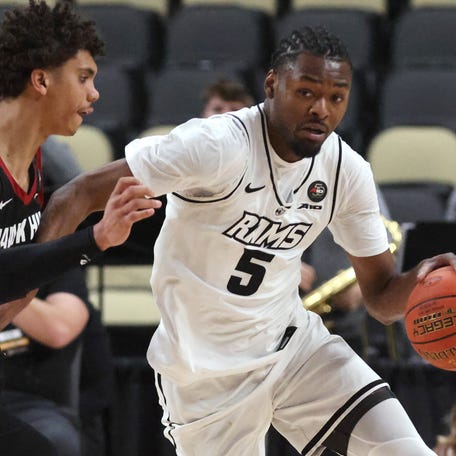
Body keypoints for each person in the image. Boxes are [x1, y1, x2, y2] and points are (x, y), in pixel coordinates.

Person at [39, 26, 456, 456]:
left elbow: (382, 298)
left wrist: (424, 281)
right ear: (272, 84)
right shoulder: (216, 146)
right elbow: (77, 194)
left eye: (336, 97)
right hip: (204, 377)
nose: (321, 110)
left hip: (295, 350)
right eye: (307, 92)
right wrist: (25, 286)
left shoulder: (345, 171)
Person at [0, 2, 160, 455]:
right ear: (41, 80)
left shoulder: (36, 164)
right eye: (84, 77)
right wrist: (93, 240)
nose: (95, 95)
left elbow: (81, 192)